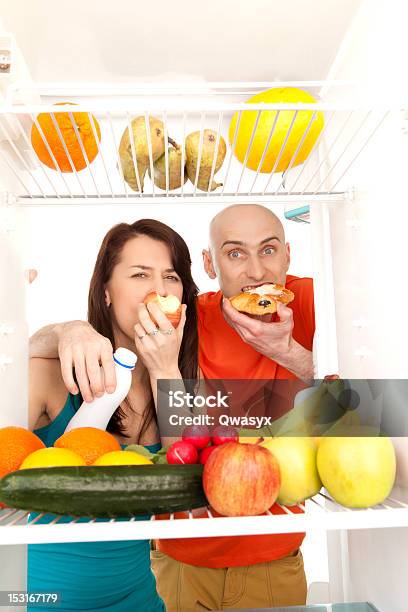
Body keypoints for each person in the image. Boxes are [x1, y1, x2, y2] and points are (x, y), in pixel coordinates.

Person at [30, 204, 315, 610]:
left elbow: (382, 388)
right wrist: (66, 328)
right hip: (170, 565)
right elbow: (20, 354)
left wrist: (290, 354)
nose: (256, 272)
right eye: (235, 253)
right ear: (211, 263)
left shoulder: (309, 301)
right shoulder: (194, 323)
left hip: (257, 558)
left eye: (170, 277)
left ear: (287, 254)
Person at [28, 218, 199, 611]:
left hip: (139, 600)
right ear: (106, 291)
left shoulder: (181, 379)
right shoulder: (51, 373)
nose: (158, 290)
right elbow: (10, 356)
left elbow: (189, 487)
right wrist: (63, 329)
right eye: (140, 274)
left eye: (171, 277)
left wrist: (164, 371)